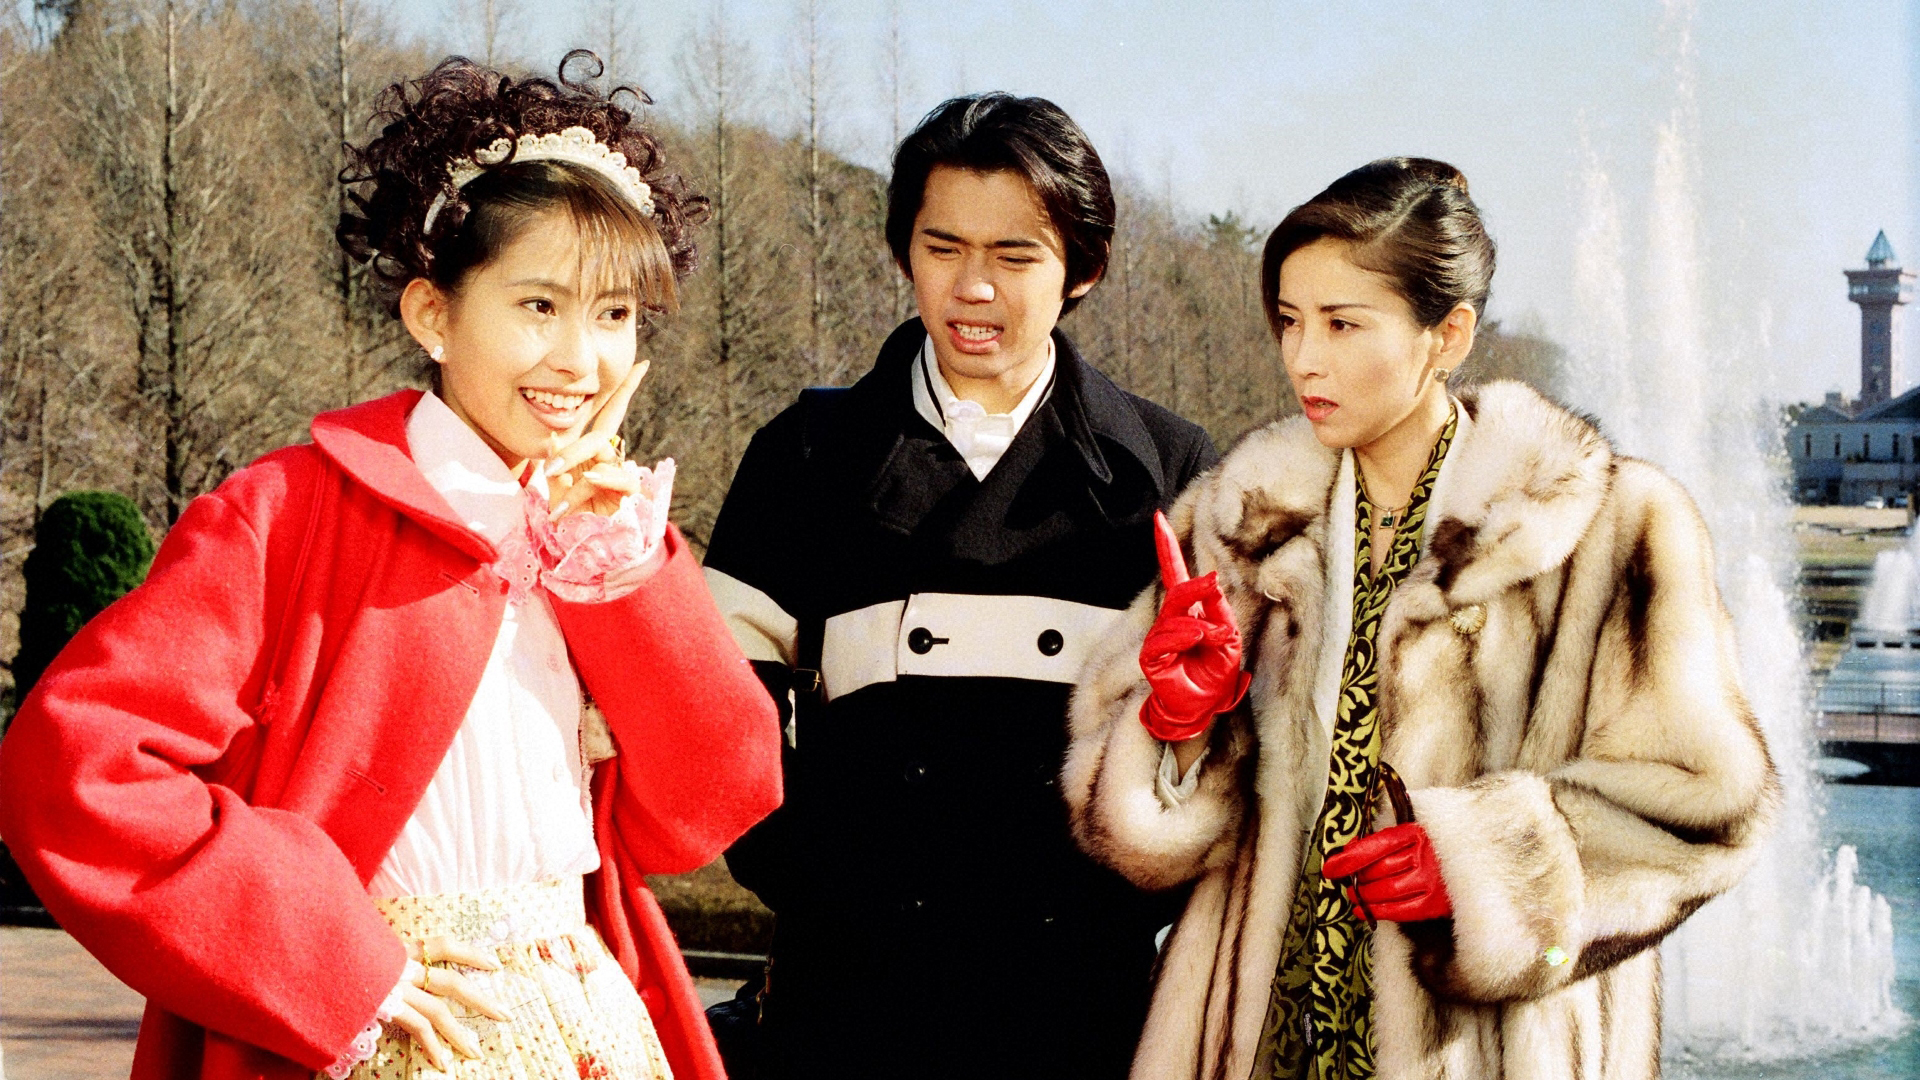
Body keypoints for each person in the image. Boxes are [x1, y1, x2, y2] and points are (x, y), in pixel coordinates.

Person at [0, 53, 780, 1080]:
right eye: (538, 306)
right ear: (432, 316)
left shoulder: (603, 537)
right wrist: (339, 963)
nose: (580, 360)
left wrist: (629, 581)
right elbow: (75, 766)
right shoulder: (287, 512)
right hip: (382, 1031)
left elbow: (712, 807)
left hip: (593, 1023)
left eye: (614, 315)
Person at [1064, 157, 1779, 1080]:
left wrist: (1493, 869)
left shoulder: (1608, 527)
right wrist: (1174, 722)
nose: (1303, 357)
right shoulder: (1238, 525)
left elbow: (1710, 803)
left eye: (1342, 323)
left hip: (1492, 1052)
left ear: (1448, 334)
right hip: (1259, 1040)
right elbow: (1129, 831)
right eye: (1288, 319)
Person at [701, 93, 1219, 1079]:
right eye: (943, 248)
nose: (973, 288)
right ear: (904, 252)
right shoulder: (805, 457)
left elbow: (1216, 761)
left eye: (1015, 257)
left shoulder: (1167, 469)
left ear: (1083, 269)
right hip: (848, 1007)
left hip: (1084, 1017)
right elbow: (723, 722)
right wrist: (822, 883)